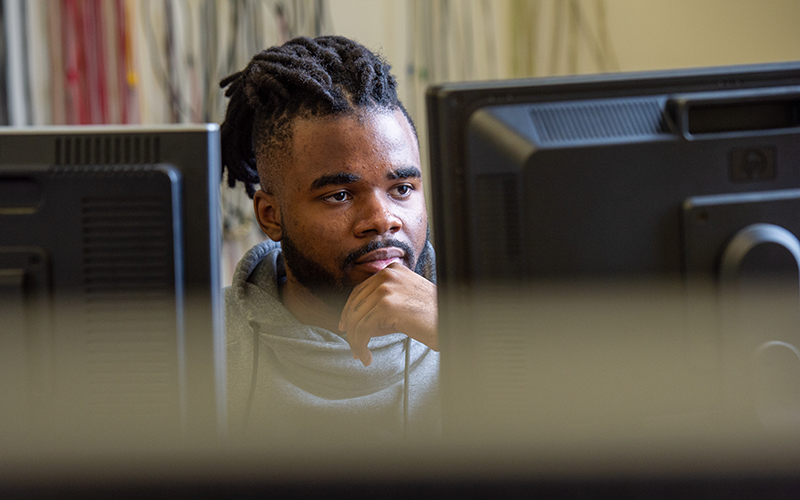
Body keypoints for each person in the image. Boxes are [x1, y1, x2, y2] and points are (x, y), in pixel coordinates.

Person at [219, 35, 440, 443]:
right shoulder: (200, 343)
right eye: (339, 195)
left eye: (402, 189)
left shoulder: (496, 326)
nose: (381, 220)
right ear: (271, 216)